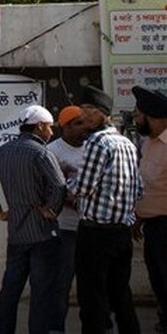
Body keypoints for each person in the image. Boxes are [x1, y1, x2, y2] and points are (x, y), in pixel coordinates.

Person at [0, 104, 65, 334]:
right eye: (49, 127)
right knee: (41, 293)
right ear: (39, 126)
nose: (52, 132)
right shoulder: (42, 153)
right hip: (42, 234)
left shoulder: (3, 151)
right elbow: (59, 186)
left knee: (10, 291)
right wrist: (52, 210)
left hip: (16, 235)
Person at [69, 85, 142, 334]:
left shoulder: (96, 143)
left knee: (92, 298)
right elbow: (139, 189)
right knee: (121, 294)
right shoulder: (128, 144)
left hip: (95, 233)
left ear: (104, 114)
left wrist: (66, 181)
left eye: (91, 110)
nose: (85, 115)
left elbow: (83, 188)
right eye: (84, 109)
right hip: (121, 231)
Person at [46, 105, 90, 334]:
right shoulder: (53, 151)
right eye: (78, 123)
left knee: (92, 284)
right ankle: (56, 328)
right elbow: (51, 188)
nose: (85, 127)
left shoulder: (94, 149)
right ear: (66, 127)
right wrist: (71, 200)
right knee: (61, 283)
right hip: (66, 229)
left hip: (92, 227)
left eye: (85, 122)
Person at [132, 86, 167, 334]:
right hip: (152, 227)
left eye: (138, 114)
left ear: (153, 116)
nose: (135, 118)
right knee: (158, 280)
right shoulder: (148, 143)